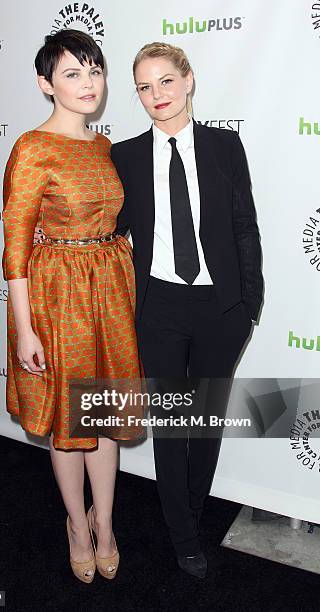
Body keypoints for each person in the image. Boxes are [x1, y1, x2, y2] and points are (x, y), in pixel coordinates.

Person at [110, 42, 264, 578]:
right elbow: (107, 225)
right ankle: (182, 534)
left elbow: (245, 224)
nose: (157, 96)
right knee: (173, 423)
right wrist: (52, 229)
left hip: (221, 307)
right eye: (145, 88)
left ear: (189, 80)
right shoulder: (125, 155)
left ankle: (193, 512)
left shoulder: (225, 145)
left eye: (166, 82)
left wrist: (249, 302)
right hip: (160, 307)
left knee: (204, 424)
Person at [2, 29, 143, 583]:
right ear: (46, 84)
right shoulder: (32, 147)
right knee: (68, 420)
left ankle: (104, 524)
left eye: (95, 71)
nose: (88, 84)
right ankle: (77, 529)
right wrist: (24, 331)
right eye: (72, 73)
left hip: (108, 288)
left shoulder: (105, 146)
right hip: (57, 295)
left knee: (102, 415)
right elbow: (15, 248)